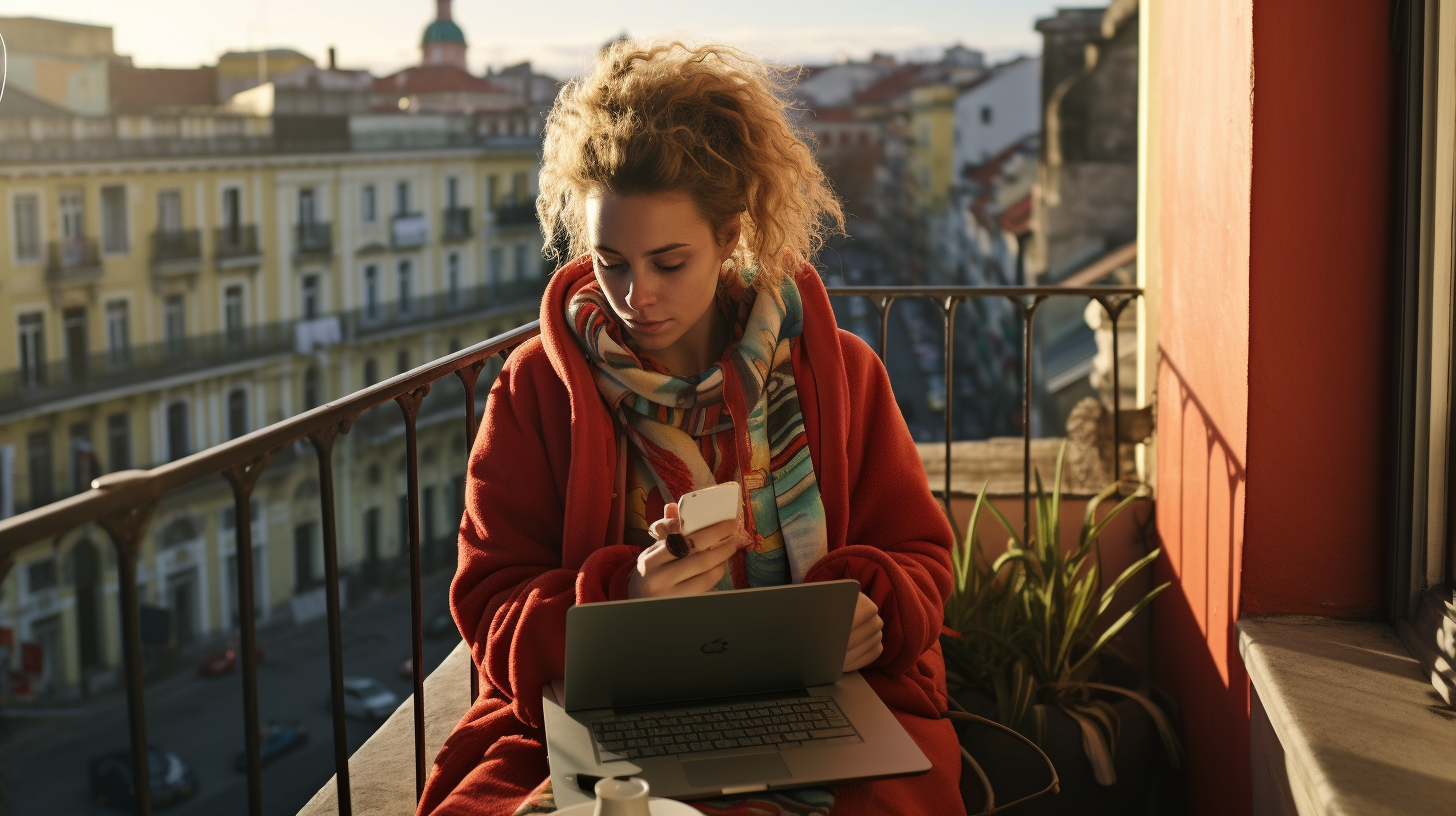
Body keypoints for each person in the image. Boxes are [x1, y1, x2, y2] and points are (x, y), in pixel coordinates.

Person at [418, 39, 963, 816]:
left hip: (826, 703)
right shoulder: (538, 388)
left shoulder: (840, 373)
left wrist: (875, 606)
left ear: (732, 235)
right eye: (609, 261)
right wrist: (626, 598)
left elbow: (922, 558)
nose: (634, 296)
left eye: (668, 262)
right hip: (602, 722)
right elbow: (490, 607)